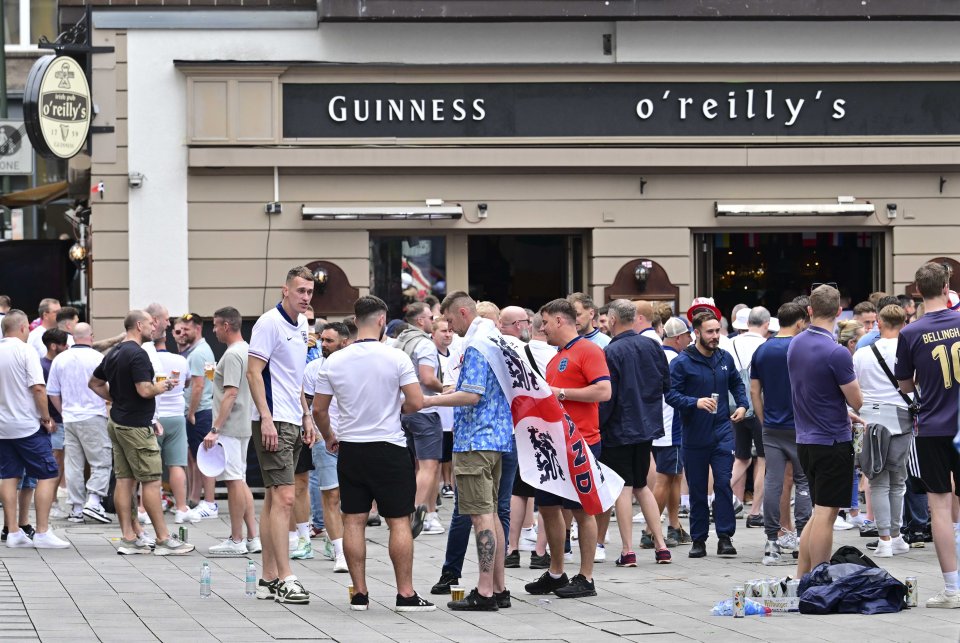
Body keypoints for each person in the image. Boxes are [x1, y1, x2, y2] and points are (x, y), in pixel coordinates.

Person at [314, 295, 435, 612]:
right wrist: (397, 408)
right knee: (398, 522)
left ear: (354, 322)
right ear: (382, 320)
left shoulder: (334, 361)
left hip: (351, 447)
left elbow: (319, 409)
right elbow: (416, 402)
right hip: (389, 446)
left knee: (352, 520)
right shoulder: (396, 358)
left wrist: (329, 437)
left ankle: (360, 594)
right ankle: (405, 594)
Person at [425, 292, 516, 611]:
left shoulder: (476, 344)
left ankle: (486, 591)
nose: (449, 327)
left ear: (463, 312)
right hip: (499, 437)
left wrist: (430, 400)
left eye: (450, 320)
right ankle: (500, 589)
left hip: (476, 440)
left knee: (481, 517)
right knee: (492, 515)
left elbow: (472, 396)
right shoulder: (496, 336)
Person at [519, 298, 612, 599]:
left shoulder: (589, 350)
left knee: (581, 509)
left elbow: (604, 390)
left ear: (559, 321)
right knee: (547, 508)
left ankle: (586, 577)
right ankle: (557, 573)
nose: (542, 328)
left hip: (581, 442)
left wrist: (561, 392)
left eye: (545, 322)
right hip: (555, 442)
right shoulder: (557, 355)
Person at [88, 310, 194, 555]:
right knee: (151, 480)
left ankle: (129, 537)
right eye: (150, 322)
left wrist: (116, 398)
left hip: (117, 421)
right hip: (136, 426)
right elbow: (145, 390)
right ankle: (164, 539)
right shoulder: (138, 354)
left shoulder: (115, 352)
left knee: (125, 480)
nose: (154, 325)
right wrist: (163, 386)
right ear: (138, 325)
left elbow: (94, 382)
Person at [246, 267, 318, 604]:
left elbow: (296, 377)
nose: (306, 297)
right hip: (273, 419)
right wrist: (266, 418)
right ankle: (286, 577)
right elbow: (253, 372)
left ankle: (268, 577)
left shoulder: (303, 324)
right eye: (301, 290)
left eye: (310, 291)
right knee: (285, 497)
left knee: (276, 498)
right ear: (285, 290)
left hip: (292, 417)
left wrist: (306, 414)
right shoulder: (268, 323)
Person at [895, 262, 960, 608]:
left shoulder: (911, 332)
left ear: (918, 290)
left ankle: (952, 588)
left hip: (933, 426)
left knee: (939, 505)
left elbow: (906, 385)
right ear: (948, 284)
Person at [787, 285, 863, 577]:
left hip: (805, 437)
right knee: (827, 513)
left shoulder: (796, 343)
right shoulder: (836, 352)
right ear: (839, 311)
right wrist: (852, 409)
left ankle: (802, 576)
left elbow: (812, 392)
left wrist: (844, 412)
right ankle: (820, 575)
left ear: (809, 310)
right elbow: (856, 399)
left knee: (819, 512)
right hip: (832, 440)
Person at [666, 311, 747, 559]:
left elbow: (737, 383)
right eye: (710, 332)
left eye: (718, 331)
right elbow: (670, 394)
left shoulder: (725, 358)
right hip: (694, 434)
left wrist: (742, 405)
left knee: (723, 483)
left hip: (722, 430)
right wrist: (695, 402)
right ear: (696, 333)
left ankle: (725, 537)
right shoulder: (681, 362)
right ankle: (698, 539)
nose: (715, 336)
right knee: (698, 488)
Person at [596, 299, 671, 567]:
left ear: (613, 320)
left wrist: (599, 425)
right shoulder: (652, 346)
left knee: (623, 489)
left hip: (619, 427)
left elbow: (608, 397)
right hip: (646, 424)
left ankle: (628, 550)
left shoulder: (611, 351)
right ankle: (661, 546)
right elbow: (665, 383)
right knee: (641, 485)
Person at [0, 310, 71, 549]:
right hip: (27, 424)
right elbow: (38, 388)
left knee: (9, 476)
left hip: (3, 426)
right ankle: (42, 531)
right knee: (49, 473)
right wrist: (47, 417)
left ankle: (12, 531)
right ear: (22, 328)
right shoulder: (25, 350)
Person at [750, 302, 811, 566]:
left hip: (772, 427)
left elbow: (754, 391)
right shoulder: (802, 348)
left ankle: (772, 542)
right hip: (801, 426)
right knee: (804, 483)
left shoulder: (762, 350)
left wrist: (764, 420)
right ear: (799, 322)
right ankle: (802, 539)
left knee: (773, 483)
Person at [853, 304, 913, 558]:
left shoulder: (861, 354)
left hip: (870, 419)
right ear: (904, 323)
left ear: (879, 322)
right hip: (901, 417)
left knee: (877, 481)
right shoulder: (908, 349)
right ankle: (896, 536)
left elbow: (853, 388)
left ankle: (884, 539)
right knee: (898, 481)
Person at [203, 306, 260, 556]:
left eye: (215, 325)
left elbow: (231, 392)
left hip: (231, 426)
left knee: (234, 480)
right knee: (240, 480)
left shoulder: (234, 354)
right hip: (242, 423)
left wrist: (215, 428)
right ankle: (251, 537)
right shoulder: (246, 350)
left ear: (226, 325)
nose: (214, 330)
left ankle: (237, 539)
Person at [47, 323, 111, 524]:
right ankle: (93, 500)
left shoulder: (60, 359)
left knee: (73, 464)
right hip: (94, 415)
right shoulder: (98, 358)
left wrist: (63, 412)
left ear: (73, 338)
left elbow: (52, 392)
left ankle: (76, 507)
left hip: (70, 417)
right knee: (101, 461)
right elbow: (108, 386)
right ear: (91, 336)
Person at [303, 322, 350, 572]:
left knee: (353, 498)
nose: (323, 345)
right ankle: (340, 552)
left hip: (354, 439)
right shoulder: (313, 368)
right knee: (330, 496)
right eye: (322, 340)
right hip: (325, 439)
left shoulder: (355, 366)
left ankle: (349, 545)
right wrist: (313, 429)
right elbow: (309, 404)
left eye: (329, 341)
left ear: (345, 342)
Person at [395, 302, 441, 535]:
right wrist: (448, 388)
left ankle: (416, 511)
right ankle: (417, 511)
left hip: (402, 410)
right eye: (431, 316)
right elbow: (427, 377)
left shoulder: (399, 341)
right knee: (429, 465)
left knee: (414, 465)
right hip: (424, 408)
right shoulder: (424, 342)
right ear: (421, 321)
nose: (434, 320)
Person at [652, 318, 693, 548]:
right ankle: (650, 529)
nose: (690, 340)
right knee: (665, 478)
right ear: (678, 338)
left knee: (674, 476)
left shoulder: (658, 354)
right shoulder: (678, 360)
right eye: (688, 336)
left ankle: (674, 525)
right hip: (672, 426)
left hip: (658, 424)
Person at [729, 306, 771, 529]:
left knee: (741, 457)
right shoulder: (766, 346)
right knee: (763, 460)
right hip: (760, 407)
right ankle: (755, 512)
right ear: (765, 324)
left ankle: (719, 496)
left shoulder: (732, 342)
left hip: (737, 407)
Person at [150, 330, 196, 525]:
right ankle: (181, 508)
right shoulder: (180, 360)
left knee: (151, 467)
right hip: (176, 415)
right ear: (166, 339)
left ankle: (145, 509)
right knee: (177, 464)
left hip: (154, 416)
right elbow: (187, 382)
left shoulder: (146, 359)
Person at [179, 313, 218, 518]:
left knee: (203, 458)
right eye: (181, 329)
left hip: (199, 411)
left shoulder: (196, 354)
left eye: (187, 329)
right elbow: (210, 379)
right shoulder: (206, 350)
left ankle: (209, 502)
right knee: (196, 457)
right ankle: (196, 499)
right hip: (205, 408)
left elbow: (198, 386)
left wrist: (191, 412)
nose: (183, 333)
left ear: (198, 328)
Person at [39, 328, 70, 516]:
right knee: (56, 461)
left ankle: (53, 501)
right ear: (53, 346)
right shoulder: (43, 366)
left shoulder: (61, 363)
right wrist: (47, 418)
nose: (67, 347)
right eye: (64, 344)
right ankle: (51, 502)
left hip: (62, 419)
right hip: (55, 422)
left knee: (62, 462)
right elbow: (41, 394)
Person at [433, 319, 456, 498]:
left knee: (448, 450)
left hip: (451, 412)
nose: (448, 334)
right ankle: (434, 488)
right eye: (443, 331)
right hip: (434, 410)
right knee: (434, 455)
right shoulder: (431, 355)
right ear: (433, 334)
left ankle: (448, 483)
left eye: (450, 331)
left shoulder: (455, 354)